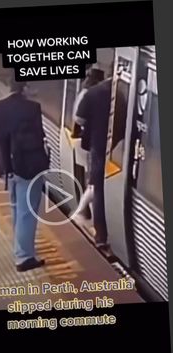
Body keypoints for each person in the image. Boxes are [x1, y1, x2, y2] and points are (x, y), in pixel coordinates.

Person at [0, 76, 49, 272]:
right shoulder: (32, 108)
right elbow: (38, 136)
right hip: (29, 168)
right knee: (27, 213)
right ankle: (24, 258)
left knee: (17, 209)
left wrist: (1, 145)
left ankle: (20, 250)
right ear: (24, 88)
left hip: (7, 168)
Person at [74, 75, 112, 250]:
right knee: (100, 187)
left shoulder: (93, 93)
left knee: (97, 187)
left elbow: (79, 119)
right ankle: (81, 211)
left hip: (97, 146)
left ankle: (101, 236)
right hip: (119, 148)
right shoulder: (124, 92)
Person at [71, 67, 104, 225]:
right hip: (87, 141)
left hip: (83, 140)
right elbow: (79, 118)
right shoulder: (90, 94)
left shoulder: (84, 92)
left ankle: (84, 211)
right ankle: (82, 211)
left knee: (90, 178)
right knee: (92, 180)